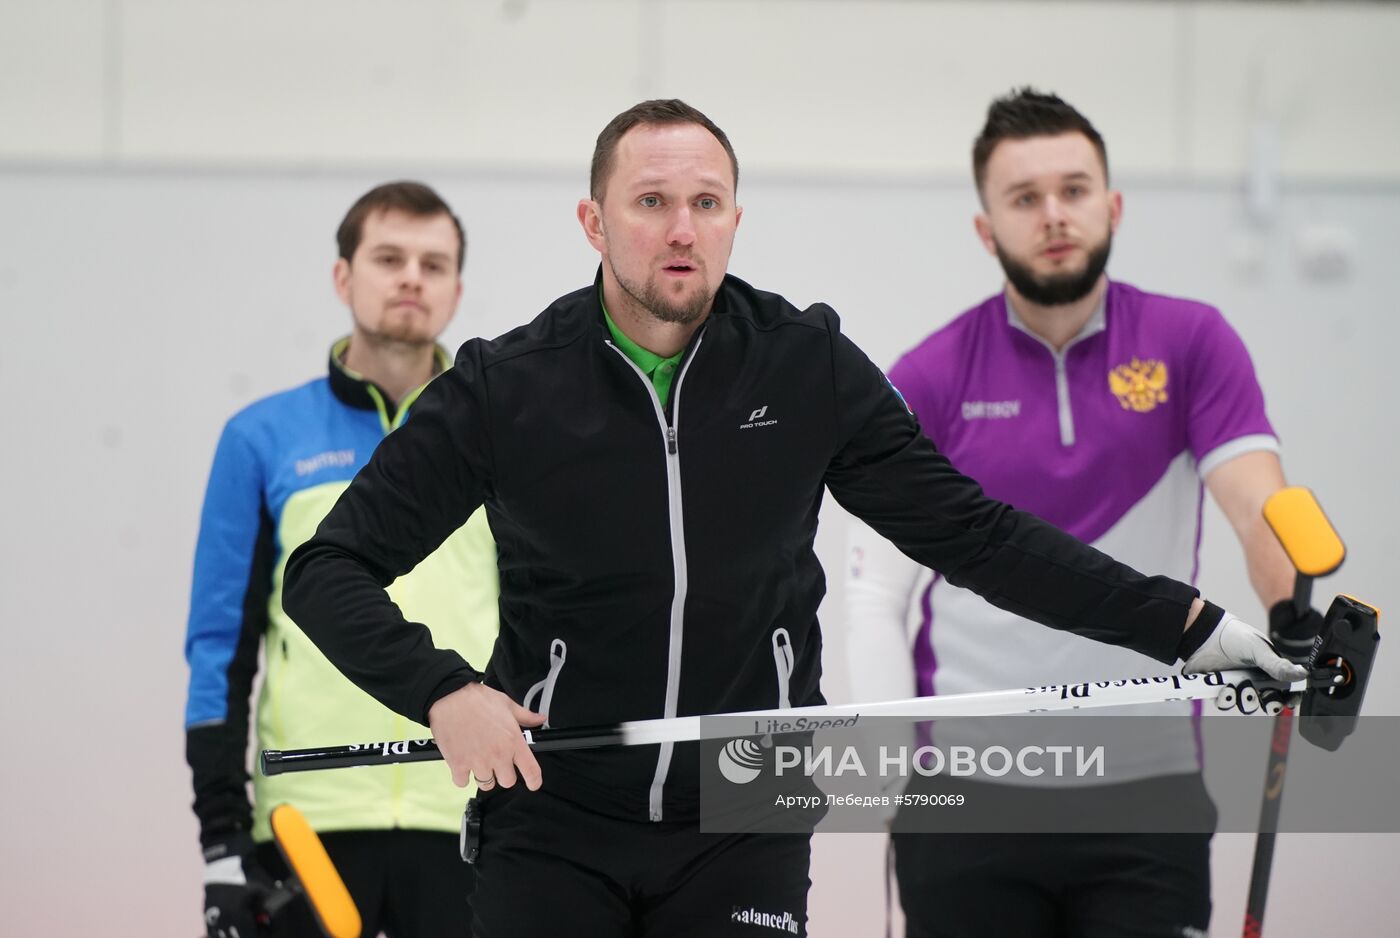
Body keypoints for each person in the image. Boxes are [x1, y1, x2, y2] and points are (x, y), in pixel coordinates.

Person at [280, 99, 1305, 938]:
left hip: (746, 809)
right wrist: (444, 688)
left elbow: (977, 537)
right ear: (594, 223)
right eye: (649, 201)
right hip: (554, 810)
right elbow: (327, 566)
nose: (680, 228)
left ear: (734, 217)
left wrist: (1194, 630)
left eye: (705, 202)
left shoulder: (802, 364)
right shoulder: (508, 386)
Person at [845, 88, 1323, 937]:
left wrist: (1296, 616)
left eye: (1074, 189)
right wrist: (893, 782)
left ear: (1114, 206)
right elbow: (875, 594)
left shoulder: (1191, 343)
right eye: (1025, 198)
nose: (1054, 215)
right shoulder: (929, 374)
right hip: (966, 797)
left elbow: (1259, 504)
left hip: (1149, 790)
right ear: (987, 230)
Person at [184, 182, 499, 938]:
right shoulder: (261, 437)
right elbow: (220, 648)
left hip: (471, 815)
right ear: (342, 276)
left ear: (457, 289)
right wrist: (222, 843)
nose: (411, 278)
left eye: (434, 263)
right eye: (389, 257)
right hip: (306, 824)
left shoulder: (500, 436)